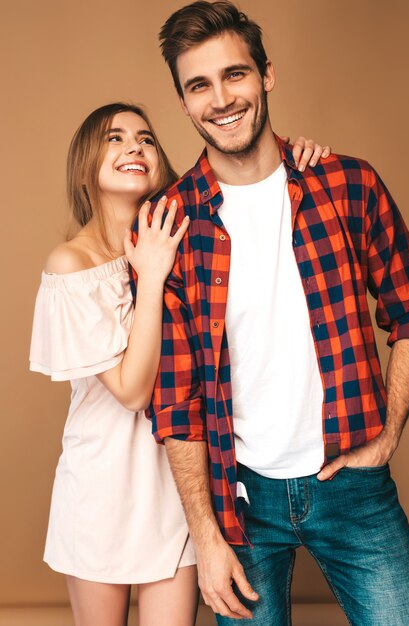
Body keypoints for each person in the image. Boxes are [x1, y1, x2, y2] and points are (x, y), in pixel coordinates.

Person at [130, 2, 409, 625]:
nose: (221, 99)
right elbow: (176, 397)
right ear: (184, 102)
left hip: (353, 488)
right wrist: (208, 534)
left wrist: (388, 434)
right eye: (199, 85)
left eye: (235, 75)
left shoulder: (346, 184)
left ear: (266, 74)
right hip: (239, 500)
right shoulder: (172, 223)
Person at [29, 101, 328, 626]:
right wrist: (149, 276)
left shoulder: (184, 233)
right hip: (102, 485)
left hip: (182, 484)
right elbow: (131, 392)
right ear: (86, 166)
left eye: (144, 138)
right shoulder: (71, 264)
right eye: (114, 138)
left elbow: (251, 183)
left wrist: (299, 157)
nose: (134, 147)